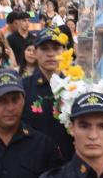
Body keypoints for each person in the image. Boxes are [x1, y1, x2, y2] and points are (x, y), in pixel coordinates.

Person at [22, 28, 74, 159]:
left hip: (68, 161)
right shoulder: (23, 87)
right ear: (35, 52)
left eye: (56, 48)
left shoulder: (74, 87)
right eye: (44, 48)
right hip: (33, 160)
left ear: (64, 51)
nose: (51, 54)